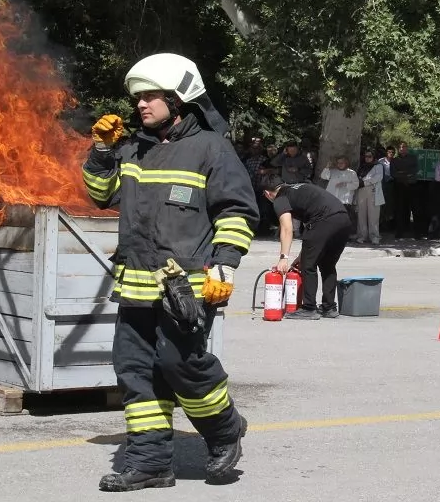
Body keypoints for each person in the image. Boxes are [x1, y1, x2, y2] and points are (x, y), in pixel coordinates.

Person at [83, 53, 257, 492]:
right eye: (138, 97)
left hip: (187, 285)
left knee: (180, 363)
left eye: (151, 96)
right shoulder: (133, 148)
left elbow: (237, 210)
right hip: (136, 283)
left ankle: (224, 431)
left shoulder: (211, 148)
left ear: (179, 99)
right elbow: (101, 195)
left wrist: (226, 263)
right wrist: (102, 152)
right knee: (136, 370)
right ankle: (150, 463)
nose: (141, 105)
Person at [262, 174, 351, 320]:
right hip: (343, 220)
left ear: (267, 193)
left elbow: (286, 228)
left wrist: (283, 258)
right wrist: (301, 255)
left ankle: (309, 308)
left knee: (308, 266)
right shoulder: (298, 187)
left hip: (323, 220)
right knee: (327, 264)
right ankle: (329, 308)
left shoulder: (279, 198)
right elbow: (313, 232)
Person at [354, 149, 385, 244]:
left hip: (373, 191)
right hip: (361, 191)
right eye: (366, 156)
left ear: (373, 157)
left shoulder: (378, 166)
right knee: (361, 214)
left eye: (369, 156)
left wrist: (365, 182)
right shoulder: (361, 166)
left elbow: (378, 177)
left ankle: (374, 236)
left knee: (373, 216)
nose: (367, 158)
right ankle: (362, 236)